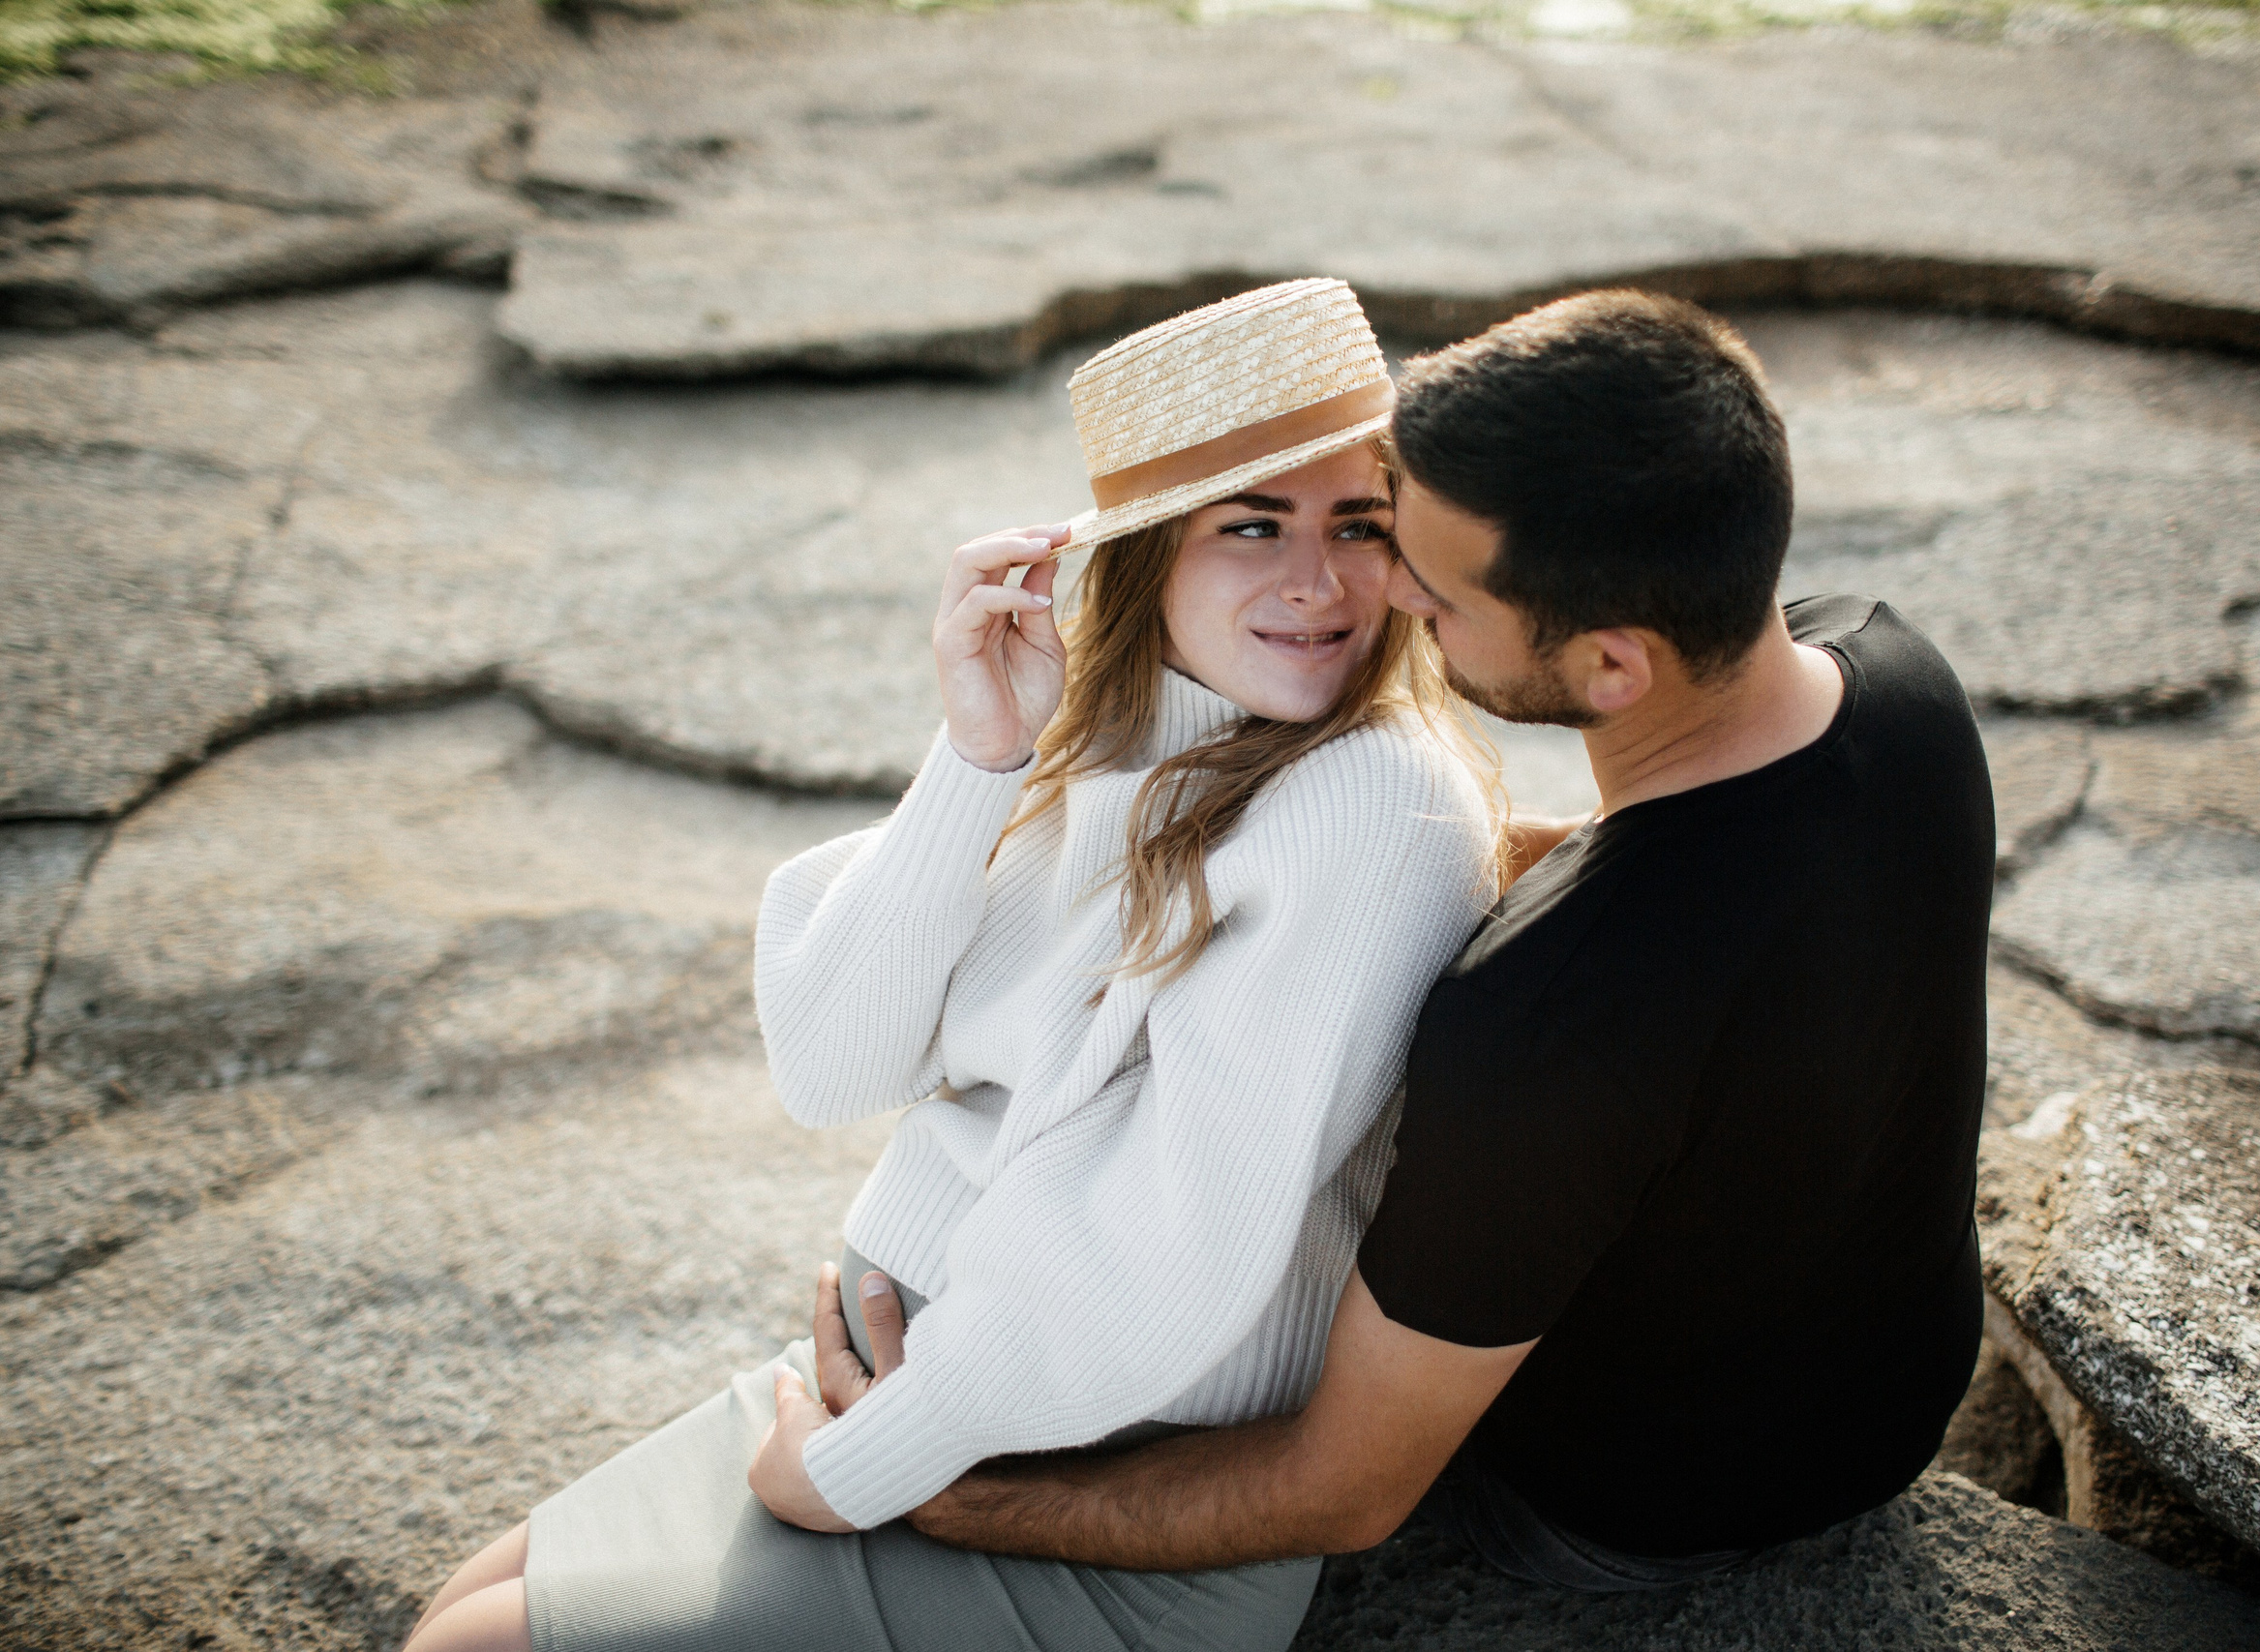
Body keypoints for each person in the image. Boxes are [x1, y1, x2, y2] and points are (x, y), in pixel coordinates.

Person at [398, 279, 1504, 1652]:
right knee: (458, 1610)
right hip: (944, 1370)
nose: (1317, 582)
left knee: (469, 1648)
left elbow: (1177, 1237)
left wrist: (874, 1459)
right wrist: (979, 758)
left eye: (1359, 524)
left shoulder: (1368, 805)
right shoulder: (1107, 751)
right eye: (1253, 526)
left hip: (1100, 1459)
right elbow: (831, 1062)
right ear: (1151, 554)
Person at [858, 288, 1998, 1588]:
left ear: (1612, 669)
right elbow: (1700, 900)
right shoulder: (1887, 673)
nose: (1379, 589)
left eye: (1434, 588)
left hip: (1633, 1505)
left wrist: (955, 1498)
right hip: (1893, 1389)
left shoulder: (1539, 1025)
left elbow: (1338, 1490)